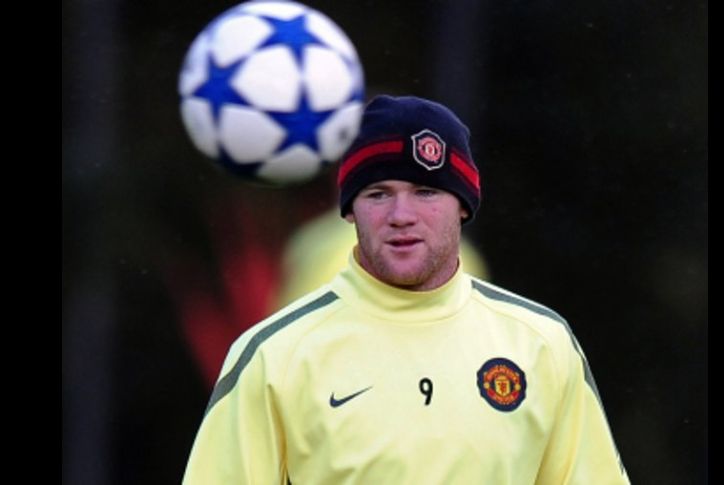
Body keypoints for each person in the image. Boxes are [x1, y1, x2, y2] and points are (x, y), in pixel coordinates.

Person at [182, 95, 630, 484]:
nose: (401, 214)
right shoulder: (273, 355)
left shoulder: (542, 344)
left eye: (426, 192)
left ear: (464, 207)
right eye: (378, 193)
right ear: (349, 212)